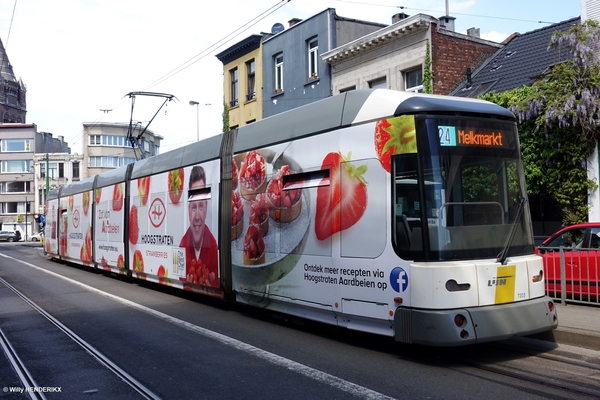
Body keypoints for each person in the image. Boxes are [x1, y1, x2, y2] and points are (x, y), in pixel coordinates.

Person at [179, 165, 219, 287]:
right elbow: (181, 279)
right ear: (188, 210)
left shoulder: (213, 246)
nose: (197, 216)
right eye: (193, 207)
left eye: (200, 206)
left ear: (206, 209)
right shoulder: (183, 244)